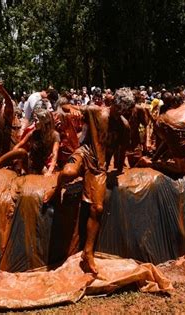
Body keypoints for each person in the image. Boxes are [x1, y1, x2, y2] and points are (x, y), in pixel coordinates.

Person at [44, 88, 135, 274]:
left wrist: (119, 170)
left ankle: (88, 252)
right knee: (68, 172)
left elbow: (121, 151)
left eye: (124, 110)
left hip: (99, 169)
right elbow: (67, 106)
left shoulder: (124, 126)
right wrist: (72, 109)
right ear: (113, 103)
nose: (120, 112)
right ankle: (56, 188)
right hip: (84, 153)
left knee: (98, 208)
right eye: (118, 107)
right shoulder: (96, 111)